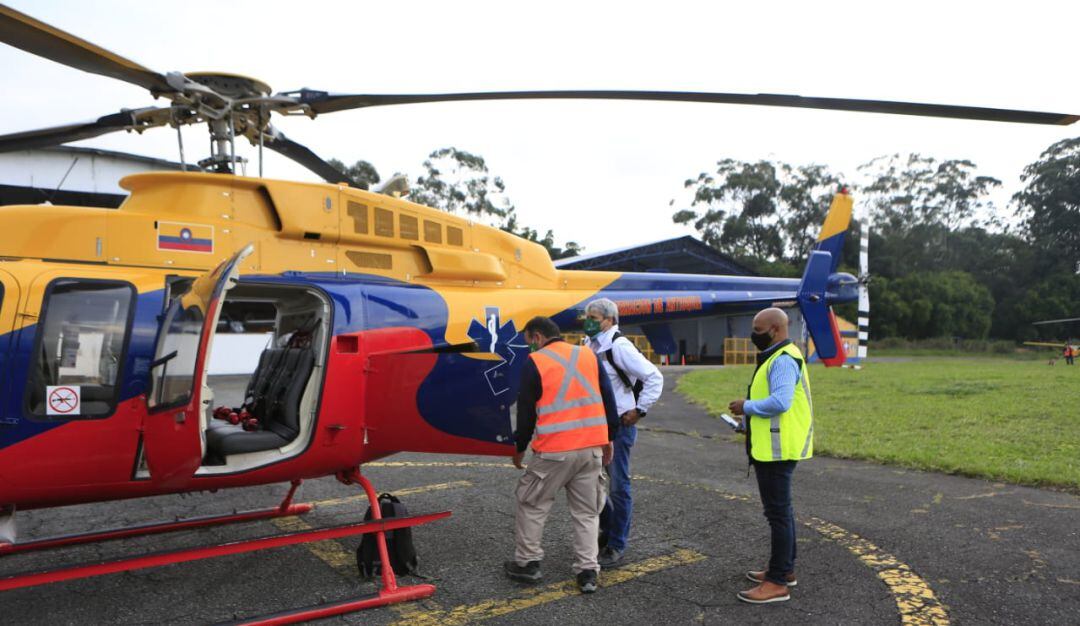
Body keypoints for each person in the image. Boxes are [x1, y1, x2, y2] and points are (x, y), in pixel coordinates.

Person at [504, 316, 620, 594]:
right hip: (591, 447)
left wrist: (519, 447)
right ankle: (588, 571)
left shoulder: (536, 362)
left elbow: (527, 412)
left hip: (555, 451)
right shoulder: (588, 355)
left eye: (528, 341)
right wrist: (609, 438)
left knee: (532, 504)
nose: (529, 347)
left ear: (537, 337)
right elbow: (608, 399)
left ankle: (528, 563)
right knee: (587, 513)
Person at [728, 307, 813, 604]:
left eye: (758, 329)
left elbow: (780, 401)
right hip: (773, 446)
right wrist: (747, 423)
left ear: (776, 329)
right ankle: (784, 570)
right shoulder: (778, 356)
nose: (753, 335)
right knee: (781, 513)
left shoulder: (784, 360)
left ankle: (777, 582)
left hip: (778, 450)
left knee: (778, 515)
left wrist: (746, 406)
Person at [583, 298, 664, 569]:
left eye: (594, 317)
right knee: (590, 481)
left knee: (619, 486)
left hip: (618, 426)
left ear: (610, 320)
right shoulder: (587, 345)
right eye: (587, 317)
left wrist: (640, 410)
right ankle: (608, 527)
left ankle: (616, 543)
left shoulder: (619, 346)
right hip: (595, 425)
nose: (589, 322)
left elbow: (654, 377)